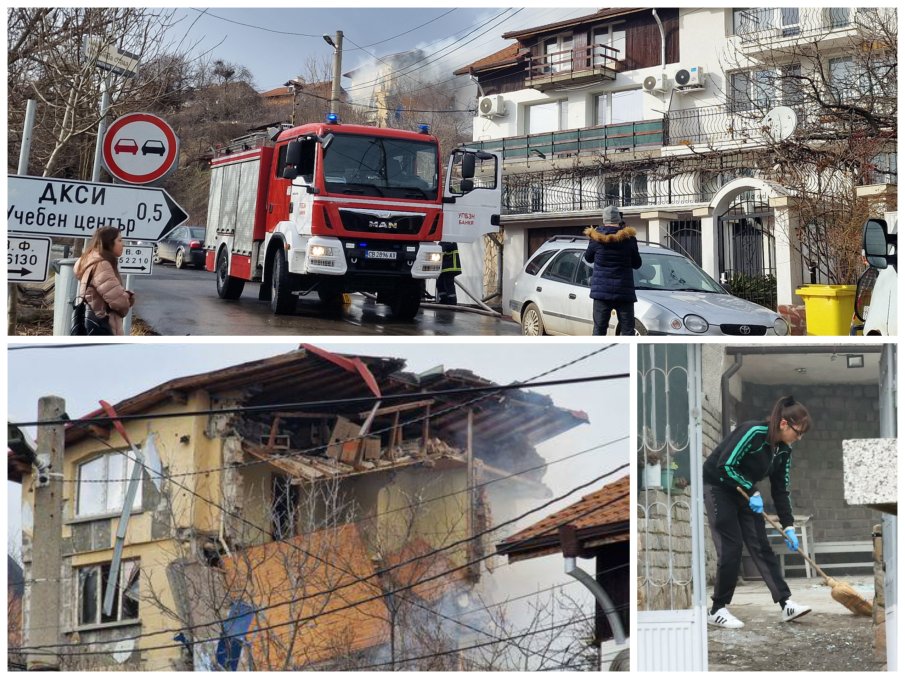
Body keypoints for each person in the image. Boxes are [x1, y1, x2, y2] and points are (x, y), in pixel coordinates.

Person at [702, 395, 813, 628]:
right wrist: (752, 491)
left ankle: (786, 604)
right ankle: (717, 609)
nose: (799, 438)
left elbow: (781, 490)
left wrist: (789, 526)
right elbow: (726, 464)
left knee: (761, 545)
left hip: (745, 492)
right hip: (719, 487)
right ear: (784, 424)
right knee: (731, 546)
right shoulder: (752, 432)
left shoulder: (784, 451)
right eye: (798, 432)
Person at [584, 206, 642, 335]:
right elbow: (637, 264)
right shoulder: (629, 239)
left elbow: (588, 258)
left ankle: (599, 354)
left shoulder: (595, 238)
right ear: (619, 219)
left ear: (604, 220)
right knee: (627, 331)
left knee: (599, 329)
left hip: (601, 292)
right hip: (624, 291)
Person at [73, 226, 135, 335]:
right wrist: (128, 298)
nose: (123, 244)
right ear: (108, 242)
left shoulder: (89, 259)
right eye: (119, 240)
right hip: (105, 324)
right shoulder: (102, 264)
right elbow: (118, 301)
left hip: (93, 320)